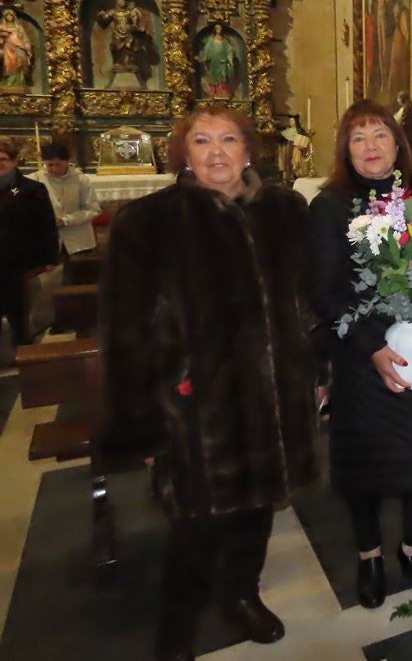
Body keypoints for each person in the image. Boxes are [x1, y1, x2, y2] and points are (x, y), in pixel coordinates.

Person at [100, 108, 327, 661]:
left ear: (249, 150)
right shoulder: (148, 223)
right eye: (202, 141)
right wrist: (149, 427)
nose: (217, 152)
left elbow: (306, 303)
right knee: (193, 535)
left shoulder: (285, 212)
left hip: (274, 402)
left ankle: (241, 596)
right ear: (185, 152)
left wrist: (317, 372)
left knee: (256, 515)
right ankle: (176, 633)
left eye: (229, 139)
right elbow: (128, 336)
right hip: (197, 412)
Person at [308, 100, 412, 609]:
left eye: (380, 134)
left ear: (398, 144)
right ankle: (369, 556)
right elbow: (323, 292)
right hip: (364, 359)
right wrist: (373, 348)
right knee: (366, 464)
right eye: (359, 138)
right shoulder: (330, 207)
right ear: (345, 150)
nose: (371, 146)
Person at [0, 137, 58, 346]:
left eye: (3, 159)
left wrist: (51, 257)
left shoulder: (31, 189)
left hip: (20, 262)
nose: (0, 164)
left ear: (14, 162)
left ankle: (23, 351)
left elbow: (47, 224)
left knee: (19, 312)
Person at [30, 142, 101, 255]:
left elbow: (92, 209)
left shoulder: (81, 180)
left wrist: (66, 220)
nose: (53, 168)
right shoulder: (35, 180)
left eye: (58, 164)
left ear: (67, 161)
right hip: (45, 238)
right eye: (50, 165)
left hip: (78, 237)